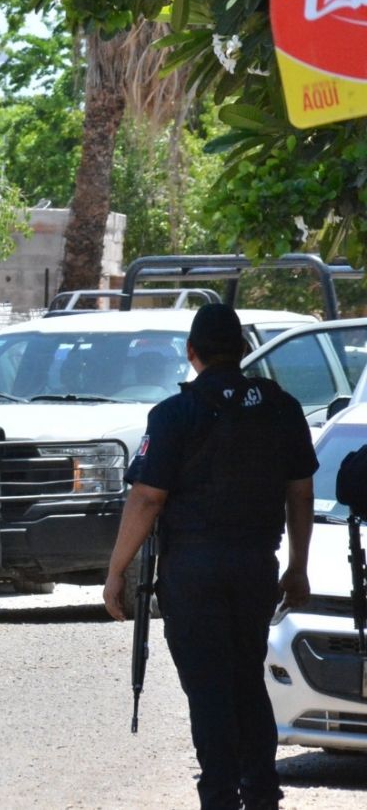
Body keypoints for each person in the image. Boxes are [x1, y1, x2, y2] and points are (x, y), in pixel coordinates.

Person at [102, 304, 316, 810]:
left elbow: (147, 498)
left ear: (191, 352)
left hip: (193, 571)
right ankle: (260, 793)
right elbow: (300, 492)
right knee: (247, 681)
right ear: (242, 350)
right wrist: (298, 567)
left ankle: (219, 797)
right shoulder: (281, 407)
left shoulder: (175, 413)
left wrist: (115, 572)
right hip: (256, 566)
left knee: (208, 690)